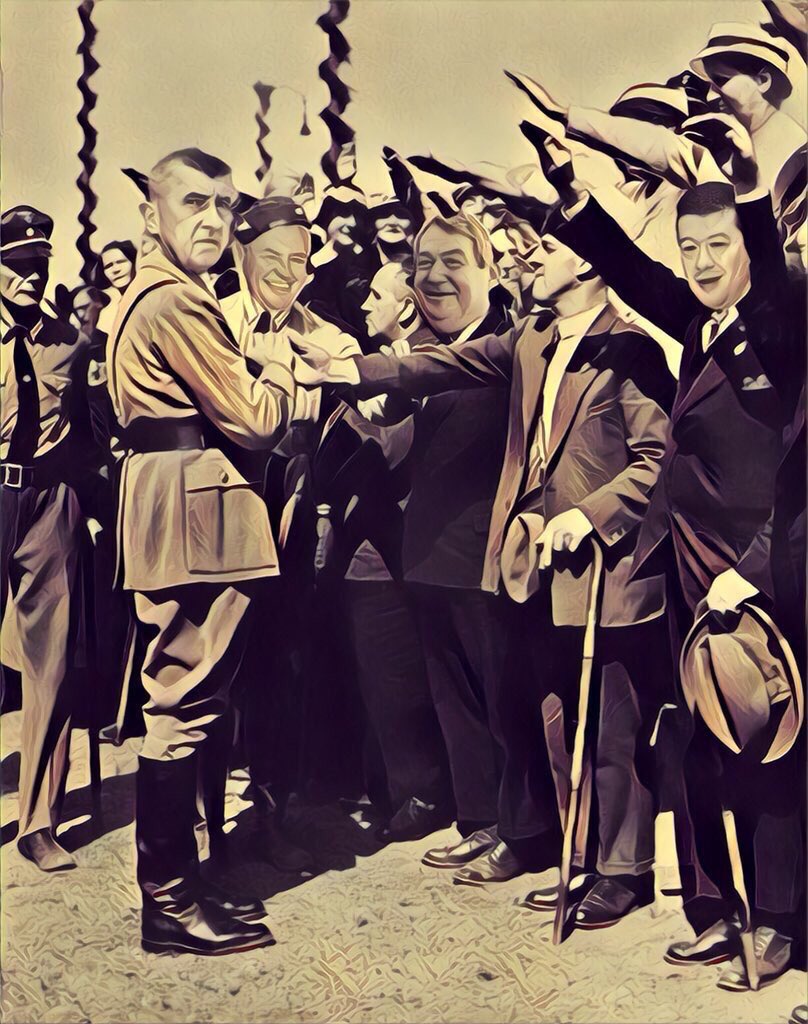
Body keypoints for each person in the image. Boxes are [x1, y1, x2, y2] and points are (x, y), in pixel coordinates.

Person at [303, 213, 675, 909]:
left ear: (587, 264)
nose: (532, 256)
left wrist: (589, 516)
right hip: (533, 565)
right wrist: (350, 368)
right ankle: (576, 858)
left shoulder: (632, 348)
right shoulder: (532, 338)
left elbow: (656, 460)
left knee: (611, 724)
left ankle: (625, 873)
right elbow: (442, 363)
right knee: (555, 717)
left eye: (549, 247)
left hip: (604, 568)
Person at [542, 121, 803, 990]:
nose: (700, 262)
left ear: (749, 246)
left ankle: (777, 921)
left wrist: (749, 572)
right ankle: (718, 904)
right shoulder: (700, 324)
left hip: (759, 571)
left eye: (718, 245)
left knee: (765, 740)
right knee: (698, 738)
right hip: (690, 564)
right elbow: (628, 268)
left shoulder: (780, 330)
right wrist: (572, 193)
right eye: (689, 247)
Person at [107, 147, 317, 957]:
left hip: (175, 502)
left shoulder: (151, 292)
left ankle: (182, 887)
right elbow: (257, 421)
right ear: (151, 212)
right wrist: (278, 369)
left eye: (224, 206)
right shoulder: (177, 300)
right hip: (197, 512)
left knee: (187, 699)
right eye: (193, 201)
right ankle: (169, 903)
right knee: (183, 705)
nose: (212, 220)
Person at [220, 194, 357, 864]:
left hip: (290, 520)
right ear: (240, 253)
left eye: (299, 259)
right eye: (272, 256)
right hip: (217, 518)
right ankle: (200, 828)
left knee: (281, 666)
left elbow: (360, 401)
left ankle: (271, 813)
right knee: (214, 667)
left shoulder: (326, 339)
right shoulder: (210, 321)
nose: (286, 271)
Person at [319, 259, 452, 837]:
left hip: (404, 554)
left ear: (408, 306)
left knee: (402, 680)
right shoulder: (378, 365)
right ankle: (393, 790)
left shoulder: (426, 365)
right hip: (368, 552)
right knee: (376, 679)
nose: (366, 304)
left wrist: (351, 401)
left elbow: (396, 450)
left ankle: (421, 794)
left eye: (377, 295)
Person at [0, 206, 103, 871]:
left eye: (39, 264)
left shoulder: (71, 342)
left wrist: (91, 505)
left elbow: (92, 432)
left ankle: (38, 823)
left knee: (53, 663)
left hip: (50, 502)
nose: (31, 276)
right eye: (17, 264)